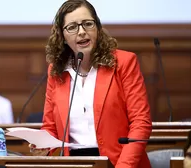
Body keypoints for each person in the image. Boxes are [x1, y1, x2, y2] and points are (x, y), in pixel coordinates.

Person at [29, 0, 152, 168]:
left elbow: (141, 123)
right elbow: (50, 127)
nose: (81, 32)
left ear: (98, 29)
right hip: (73, 163)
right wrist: (43, 146)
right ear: (62, 37)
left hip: (119, 162)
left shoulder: (124, 63)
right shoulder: (56, 71)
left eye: (87, 24)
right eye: (72, 27)